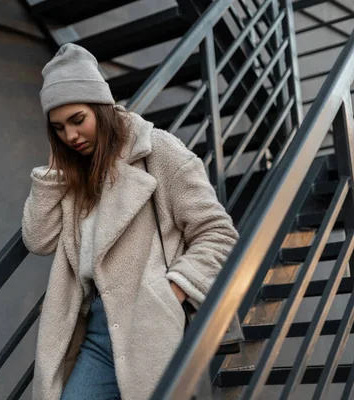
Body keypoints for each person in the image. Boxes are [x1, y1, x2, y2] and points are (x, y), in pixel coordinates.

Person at [21, 43, 238, 400]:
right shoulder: (77, 173)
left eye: (78, 120)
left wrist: (171, 291)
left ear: (102, 109)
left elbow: (218, 233)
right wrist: (51, 175)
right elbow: (38, 239)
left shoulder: (159, 151)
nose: (70, 136)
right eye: (58, 128)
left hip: (153, 321)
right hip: (97, 331)